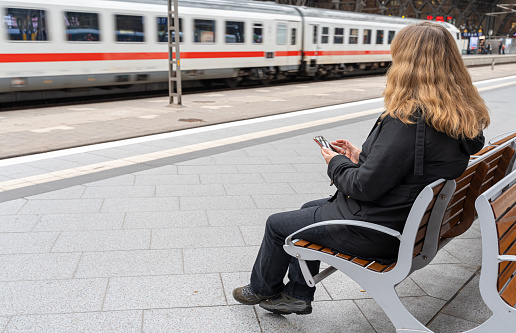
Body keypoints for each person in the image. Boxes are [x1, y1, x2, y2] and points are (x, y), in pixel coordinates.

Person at [233, 21, 490, 315]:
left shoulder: (409, 118)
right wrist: (360, 156)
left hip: (378, 230)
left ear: (406, 63)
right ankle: (296, 294)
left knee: (277, 224)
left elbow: (363, 188)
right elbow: (412, 166)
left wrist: (336, 162)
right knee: (306, 208)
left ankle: (262, 289)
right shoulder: (459, 117)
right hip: (406, 220)